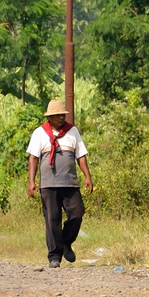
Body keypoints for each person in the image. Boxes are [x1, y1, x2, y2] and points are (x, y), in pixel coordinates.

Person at [26, 99, 93, 269]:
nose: (61, 119)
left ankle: (66, 241)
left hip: (70, 183)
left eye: (63, 115)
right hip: (48, 184)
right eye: (57, 116)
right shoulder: (39, 133)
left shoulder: (72, 132)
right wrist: (31, 181)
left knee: (77, 213)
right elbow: (33, 158)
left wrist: (87, 177)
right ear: (50, 118)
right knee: (52, 219)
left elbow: (81, 156)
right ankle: (54, 256)